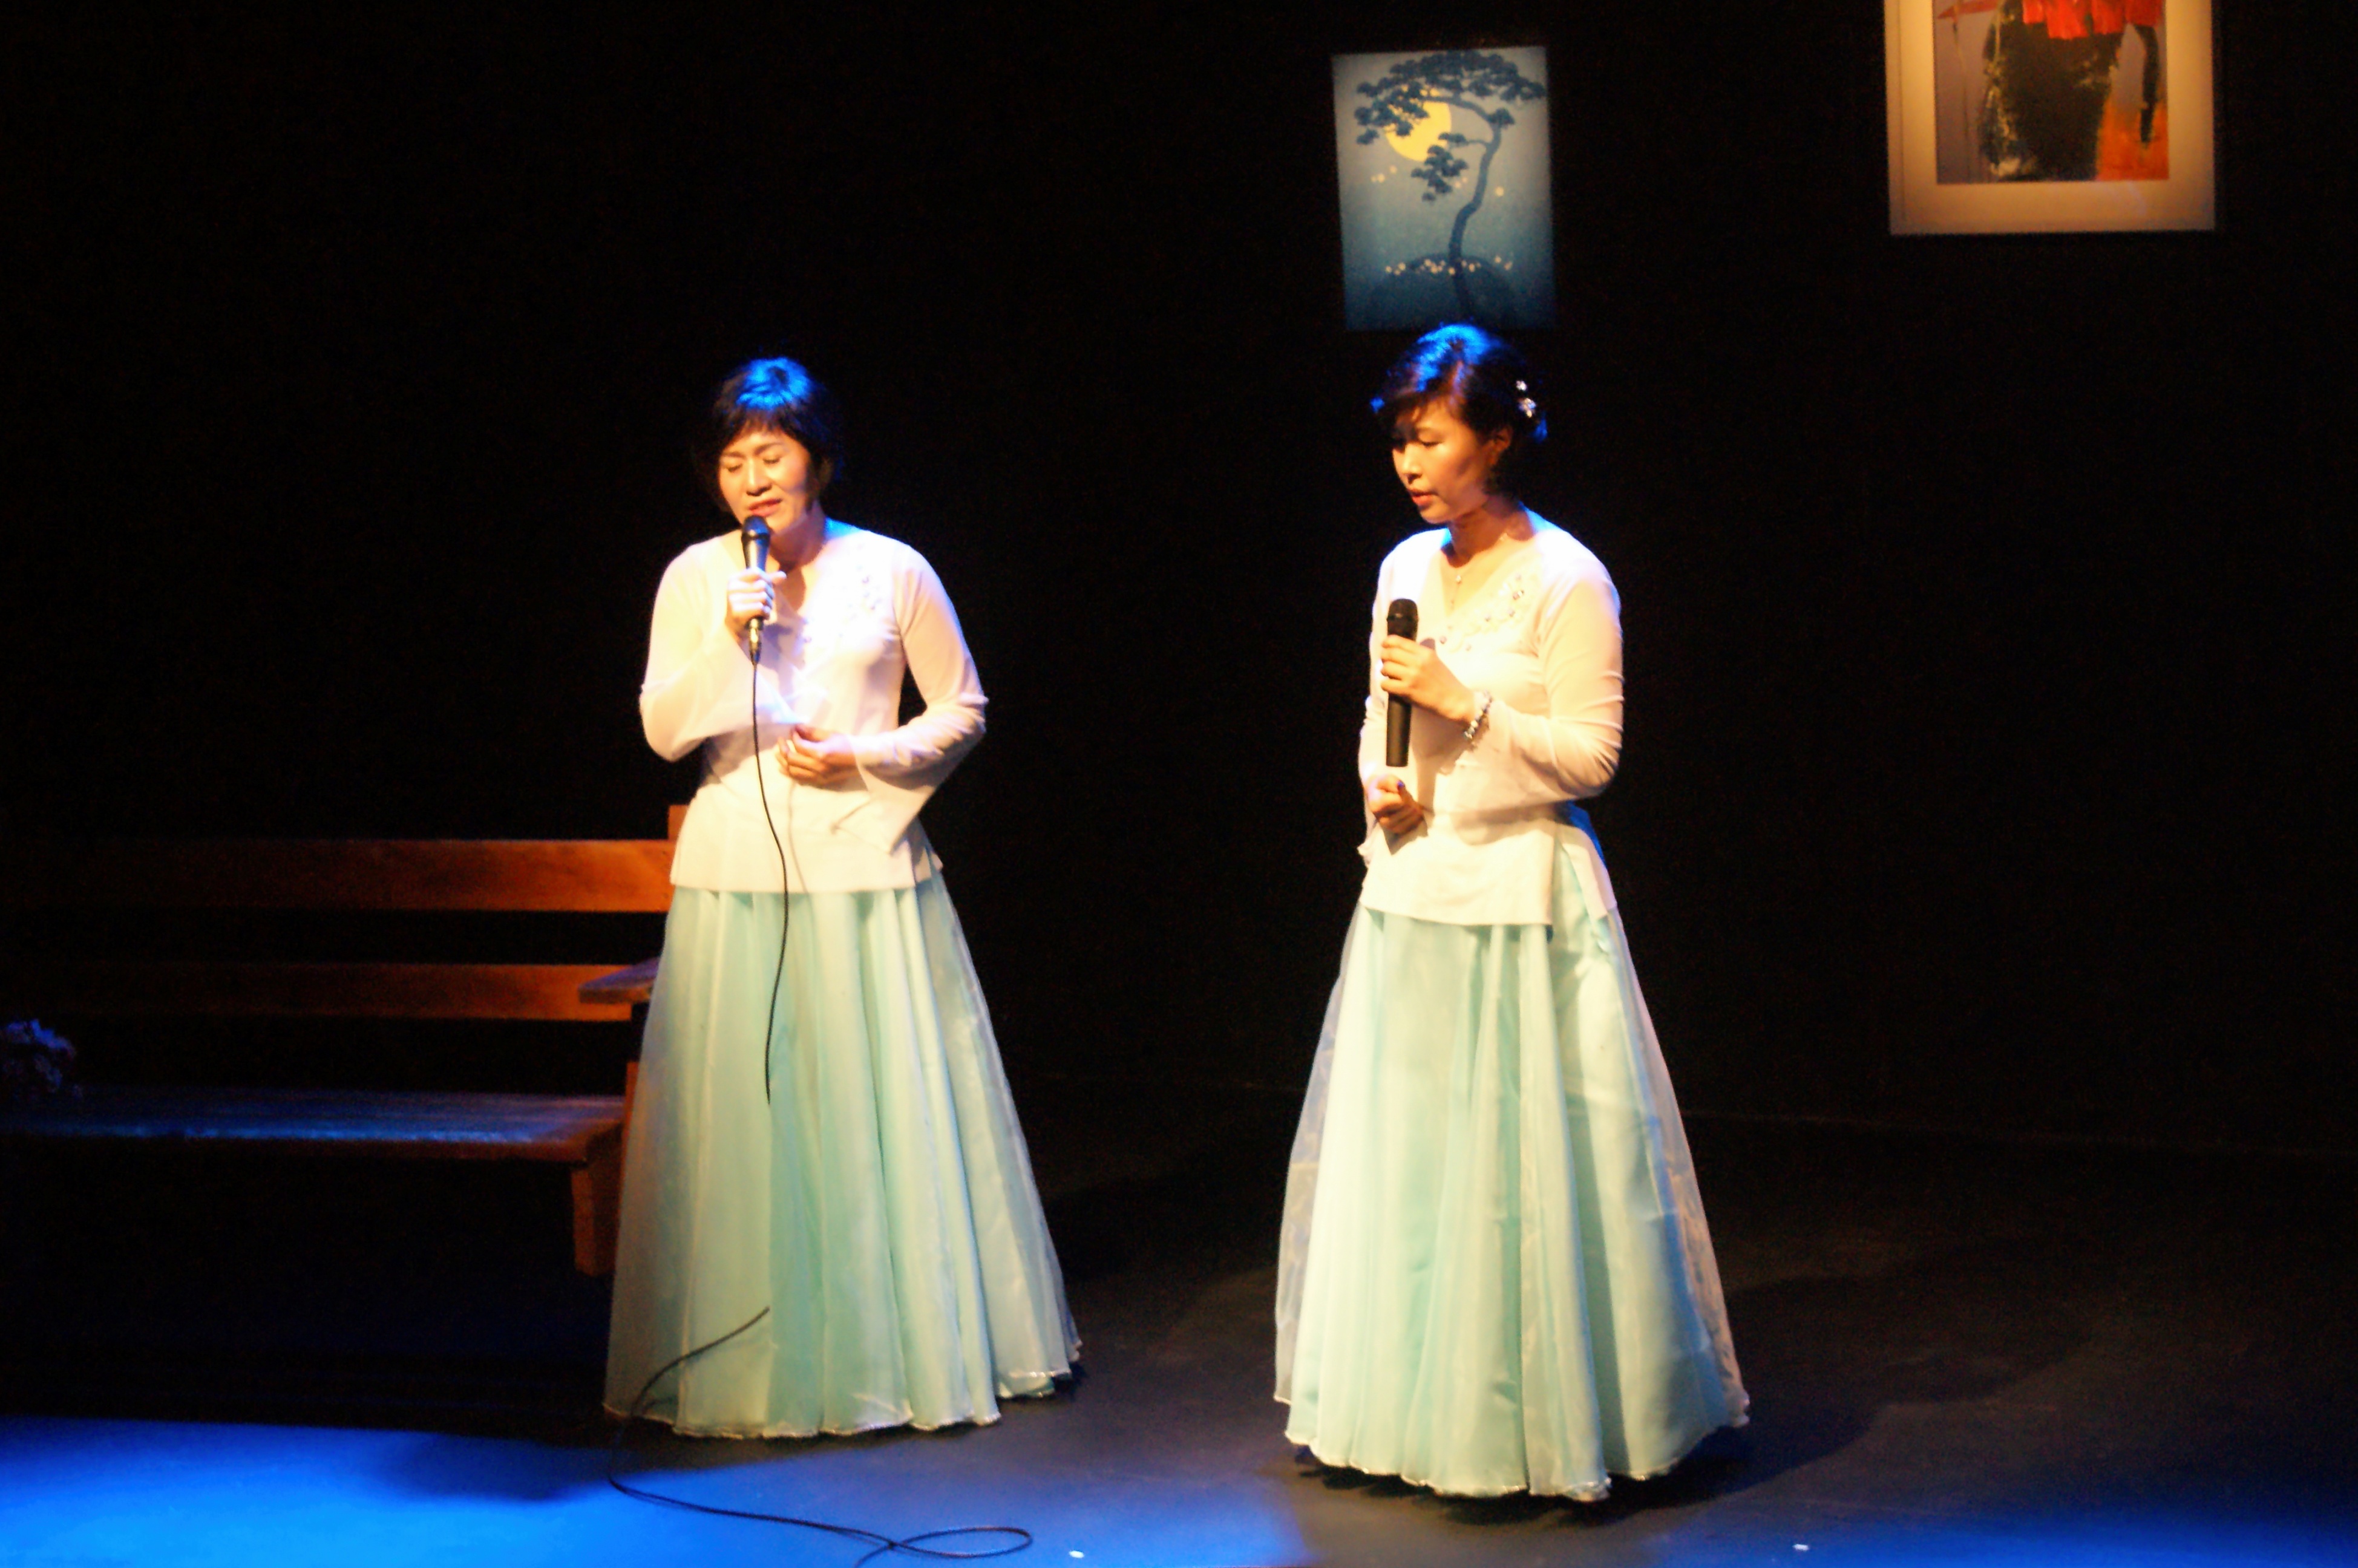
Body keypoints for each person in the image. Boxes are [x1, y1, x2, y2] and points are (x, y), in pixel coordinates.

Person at [1274, 325, 1747, 1500]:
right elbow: (1376, 715)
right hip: (1415, 889)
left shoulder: (1567, 577)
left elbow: (1592, 759)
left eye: (1430, 438)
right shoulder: (1401, 569)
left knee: (1526, 1174)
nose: (1409, 462)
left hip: (1524, 897)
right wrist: (1380, 781)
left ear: (1495, 439)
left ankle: (1543, 1418)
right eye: (1399, 439)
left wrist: (1464, 703)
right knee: (1415, 1162)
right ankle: (1416, 1412)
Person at [605, 356, 1076, 1437]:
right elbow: (665, 732)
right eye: (732, 462)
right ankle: (753, 1359)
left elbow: (962, 709)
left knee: (879, 1116)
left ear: (817, 461)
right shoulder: (697, 578)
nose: (751, 479)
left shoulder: (892, 567)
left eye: (771, 456)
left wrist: (866, 755)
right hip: (736, 879)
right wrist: (727, 638)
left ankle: (891, 1349)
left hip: (868, 867)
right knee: (750, 1123)